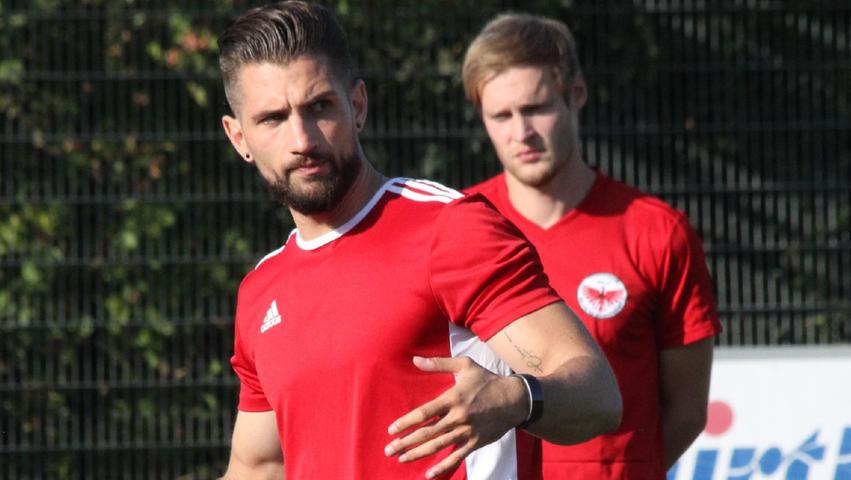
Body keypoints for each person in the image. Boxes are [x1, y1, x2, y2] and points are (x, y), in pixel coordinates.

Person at [216, 2, 622, 479]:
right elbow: (259, 465)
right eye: (272, 119)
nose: (301, 139)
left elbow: (598, 396)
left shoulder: (448, 230)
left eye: (319, 106)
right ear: (239, 137)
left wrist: (517, 398)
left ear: (358, 105)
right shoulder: (262, 290)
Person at [462, 12, 722, 480]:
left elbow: (686, 411)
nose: (521, 132)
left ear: (575, 94)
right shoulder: (456, 230)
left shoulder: (657, 232)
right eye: (501, 115)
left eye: (536, 108)